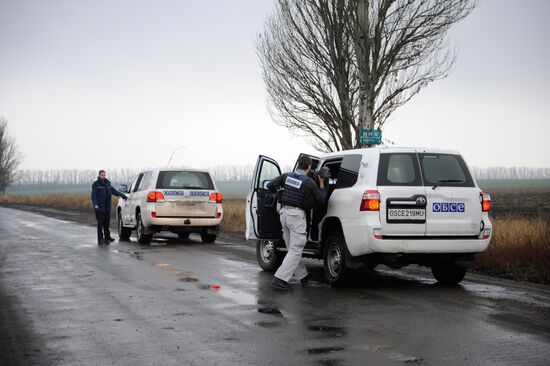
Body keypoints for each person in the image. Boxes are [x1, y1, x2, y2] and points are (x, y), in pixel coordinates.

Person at [267, 155, 326, 290]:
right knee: (296, 248)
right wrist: (321, 182)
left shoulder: (286, 176)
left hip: (284, 214)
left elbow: (270, 185)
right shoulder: (308, 182)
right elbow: (321, 199)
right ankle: (279, 279)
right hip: (296, 216)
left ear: (299, 164)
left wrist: (278, 192)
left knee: (292, 249)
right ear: (309, 167)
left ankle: (303, 276)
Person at [91, 170, 127, 245]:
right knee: (100, 224)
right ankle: (100, 239)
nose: (103, 176)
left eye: (104, 175)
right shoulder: (96, 184)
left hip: (107, 207)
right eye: (102, 175)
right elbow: (93, 195)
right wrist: (95, 204)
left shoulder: (108, 184)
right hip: (99, 207)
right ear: (99, 175)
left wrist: (123, 196)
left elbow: (115, 192)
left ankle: (107, 237)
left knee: (106, 224)